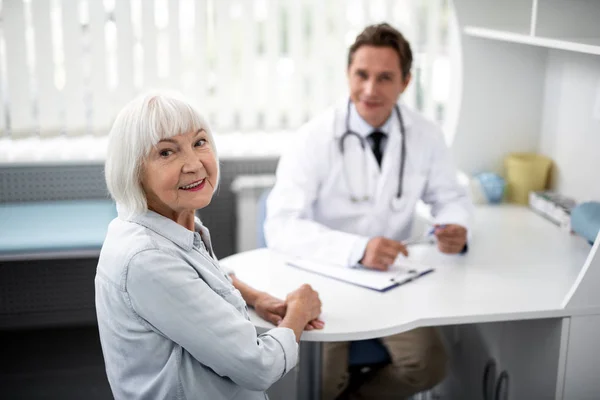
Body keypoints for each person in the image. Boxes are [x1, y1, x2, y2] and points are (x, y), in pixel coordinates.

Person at [264, 23, 473, 399]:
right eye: (361, 75)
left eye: (385, 78)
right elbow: (280, 226)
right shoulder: (313, 138)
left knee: (429, 365)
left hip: (392, 280)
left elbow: (450, 196)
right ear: (348, 74)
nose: (370, 90)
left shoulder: (425, 135)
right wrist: (357, 250)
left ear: (405, 82)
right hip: (325, 275)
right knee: (319, 383)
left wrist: (455, 225)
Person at [95, 92, 324, 400]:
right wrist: (299, 309)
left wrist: (256, 297)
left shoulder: (162, 221)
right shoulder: (147, 258)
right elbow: (259, 366)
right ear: (133, 170)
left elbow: (198, 274)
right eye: (166, 152)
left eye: (200, 142)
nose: (193, 164)